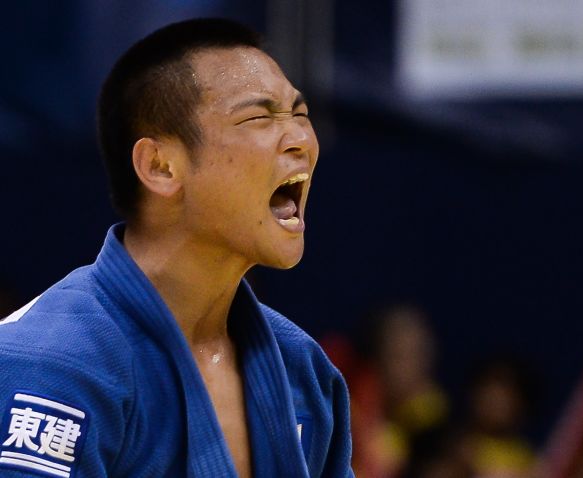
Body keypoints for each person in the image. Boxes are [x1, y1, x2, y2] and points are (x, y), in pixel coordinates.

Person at [0, 18, 353, 478]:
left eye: (301, 116)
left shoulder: (303, 370)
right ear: (161, 166)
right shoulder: (51, 364)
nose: (302, 141)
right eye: (259, 117)